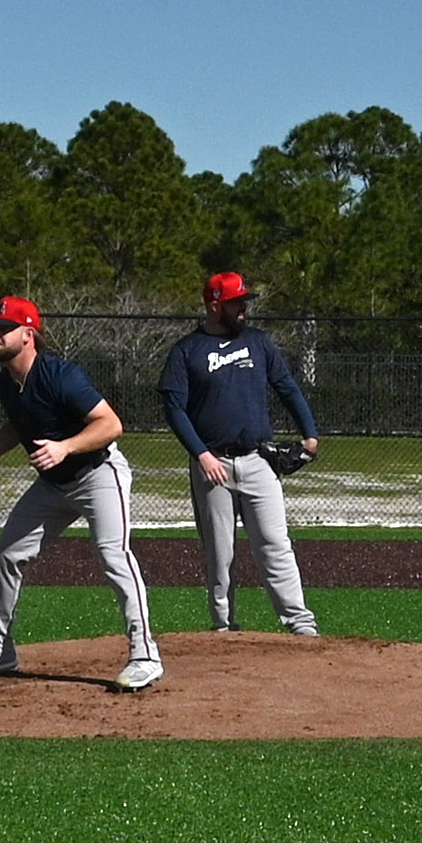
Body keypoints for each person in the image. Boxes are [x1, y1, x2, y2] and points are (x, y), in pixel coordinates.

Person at [0, 295, 163, 692]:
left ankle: (145, 654)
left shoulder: (61, 376)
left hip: (99, 472)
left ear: (28, 335)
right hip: (54, 485)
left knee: (114, 555)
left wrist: (65, 446)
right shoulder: (7, 382)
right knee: (7, 554)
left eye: (4, 328)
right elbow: (19, 427)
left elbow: (111, 424)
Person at [155, 270, 323, 636]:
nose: (244, 308)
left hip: (259, 459)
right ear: (215, 305)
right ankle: (224, 626)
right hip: (212, 463)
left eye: (244, 301)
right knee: (220, 553)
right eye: (236, 303)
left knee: (276, 545)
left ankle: (300, 624)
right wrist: (201, 454)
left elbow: (287, 387)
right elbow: (174, 409)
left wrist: (309, 433)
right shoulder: (187, 351)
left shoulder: (258, 343)